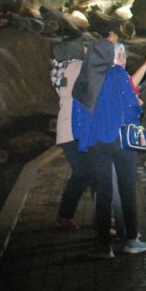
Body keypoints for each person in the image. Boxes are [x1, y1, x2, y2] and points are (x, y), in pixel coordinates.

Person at [71, 26, 146, 258]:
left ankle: (105, 246)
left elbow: (78, 118)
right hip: (122, 143)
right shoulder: (118, 75)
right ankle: (132, 240)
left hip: (97, 145)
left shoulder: (83, 80)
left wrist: (85, 141)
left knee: (103, 194)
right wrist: (139, 109)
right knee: (127, 191)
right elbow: (131, 108)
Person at [52, 37, 92, 231]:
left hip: (69, 130)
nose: (88, 50)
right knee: (88, 173)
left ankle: (65, 216)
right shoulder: (78, 67)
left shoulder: (61, 69)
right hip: (78, 130)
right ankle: (106, 218)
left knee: (85, 173)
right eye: (85, 47)